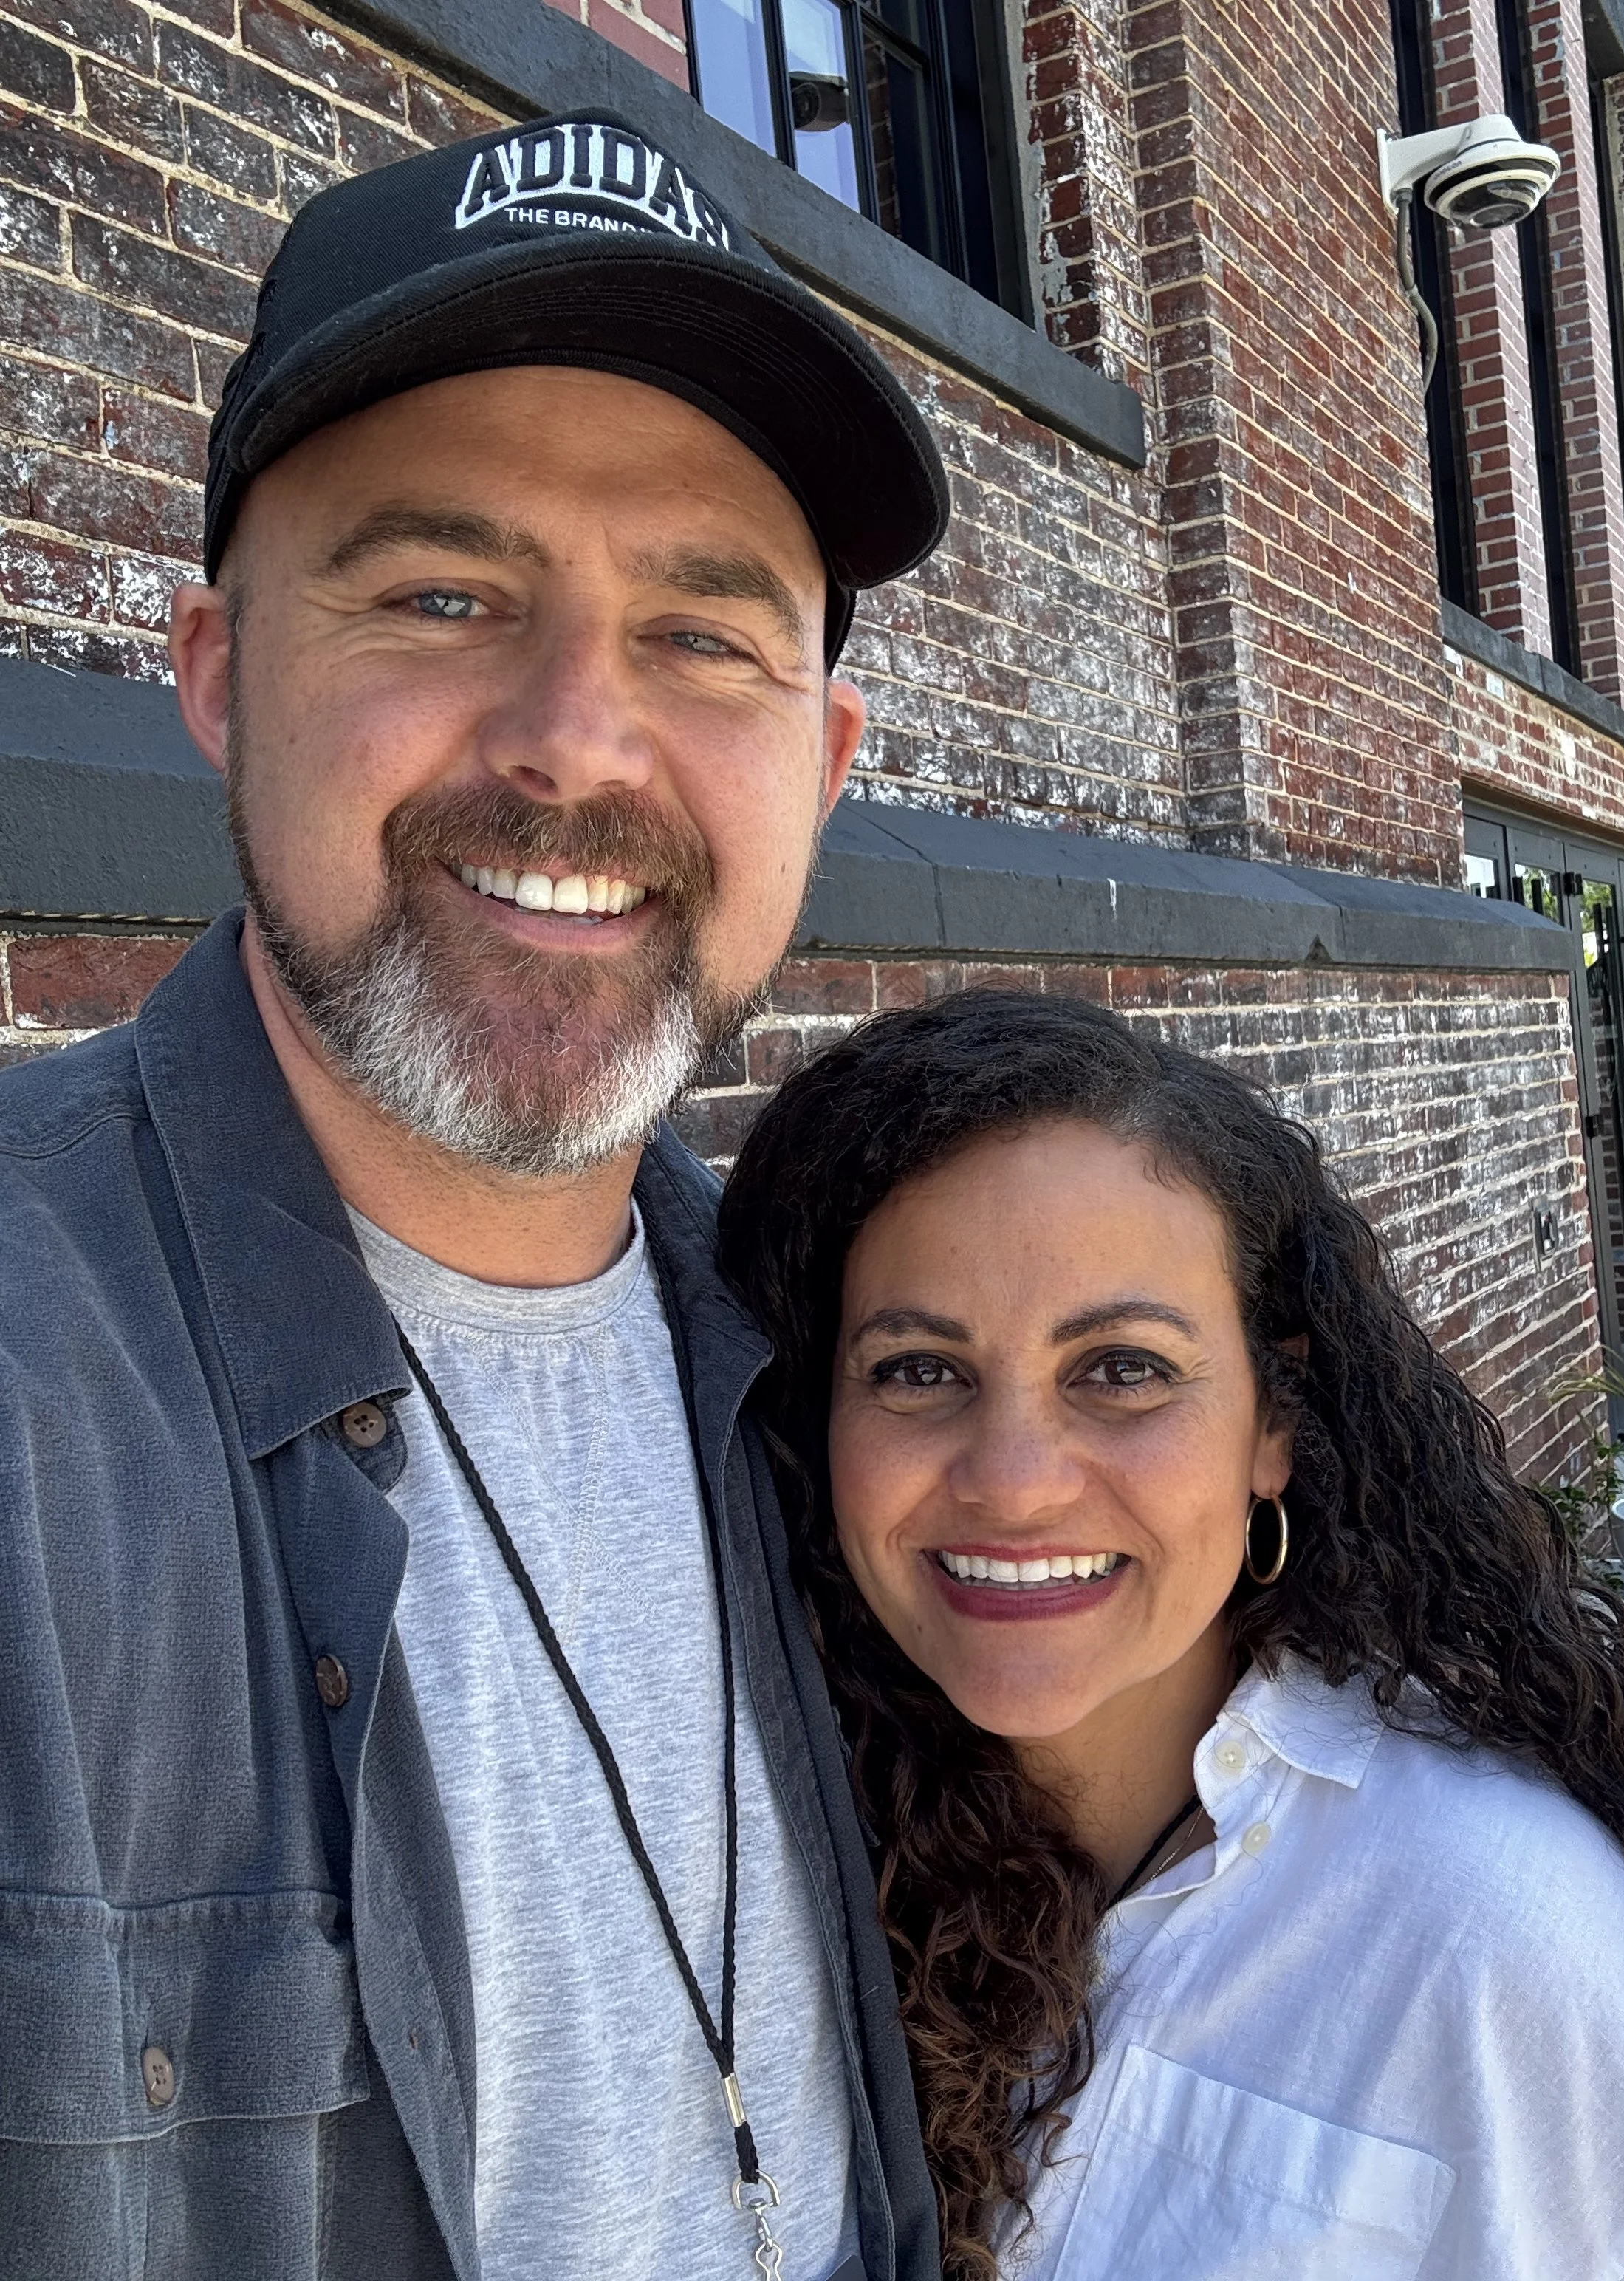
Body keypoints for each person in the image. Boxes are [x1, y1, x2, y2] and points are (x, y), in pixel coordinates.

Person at [0, 108, 949, 2281]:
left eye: (704, 637)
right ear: (221, 682)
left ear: (817, 763)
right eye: (442, 594)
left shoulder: (839, 1386)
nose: (574, 744)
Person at [718, 989, 1624, 2281]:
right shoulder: (759, 1848)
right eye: (918, 1369)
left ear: (1271, 1423)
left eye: (1122, 1368)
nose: (1013, 1481)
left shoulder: (1505, 1943)